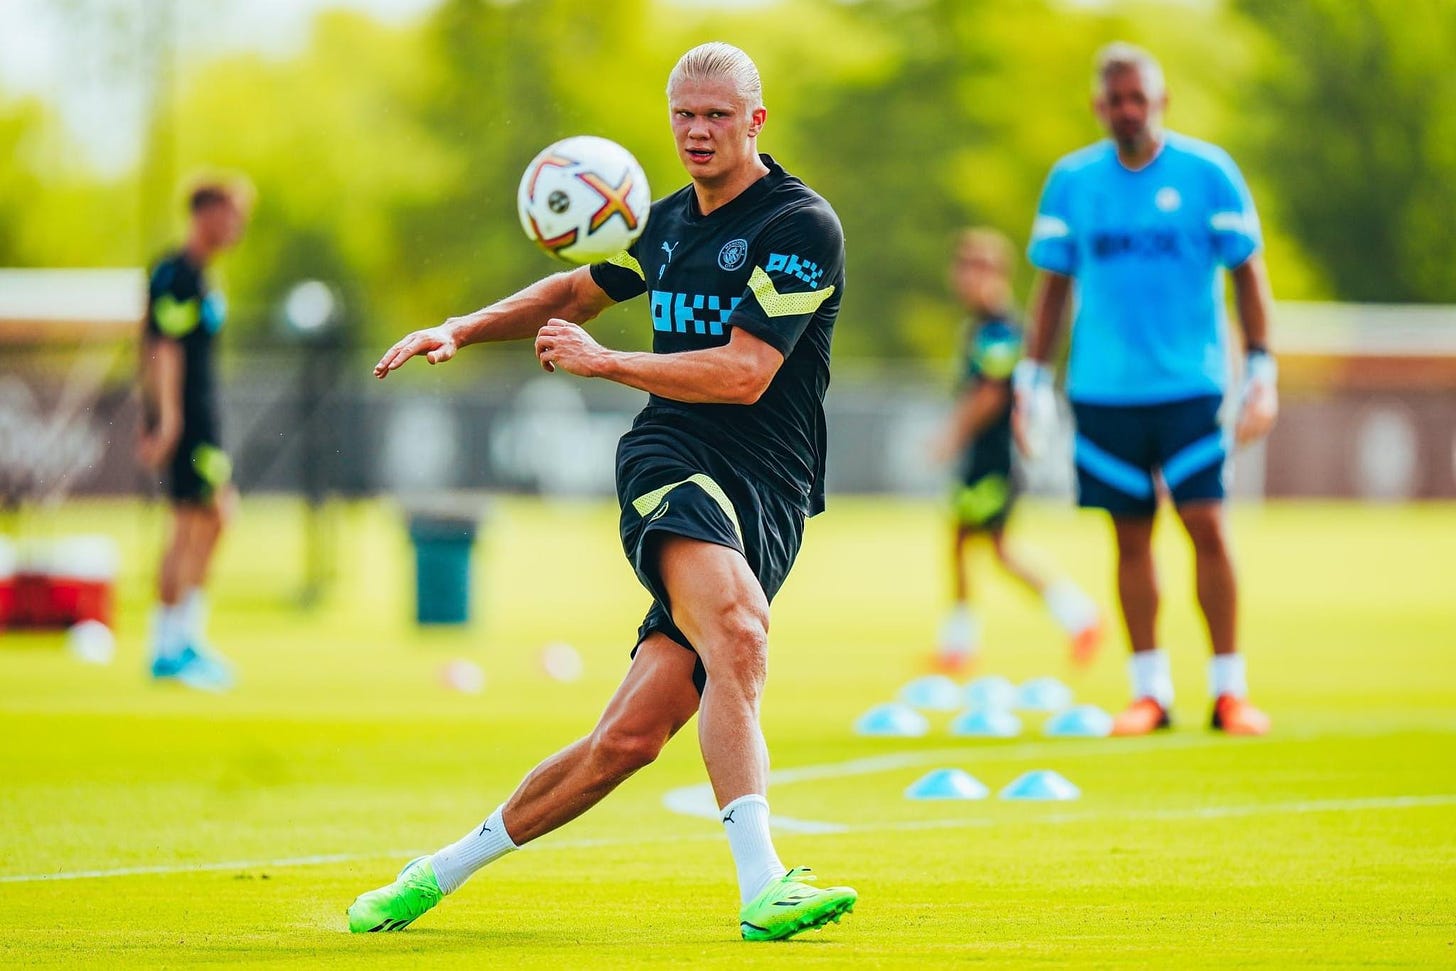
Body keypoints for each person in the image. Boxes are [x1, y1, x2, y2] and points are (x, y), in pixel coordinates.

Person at [348, 42, 856, 941]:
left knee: (626, 742)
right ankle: (763, 885)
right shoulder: (660, 226)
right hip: (671, 460)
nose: (697, 132)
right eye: (683, 116)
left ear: (755, 121)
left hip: (769, 493)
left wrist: (605, 361)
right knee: (738, 626)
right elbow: (578, 289)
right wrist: (461, 326)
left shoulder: (798, 226)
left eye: (717, 116)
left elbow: (746, 374)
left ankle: (434, 873)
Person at [1016, 43, 1278, 736]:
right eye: (1116, 100)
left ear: (1160, 100)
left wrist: (1262, 369)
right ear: (1099, 107)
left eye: (1140, 98)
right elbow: (1052, 287)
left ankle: (1229, 689)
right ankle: (1150, 691)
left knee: (1207, 526)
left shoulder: (1208, 174)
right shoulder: (1072, 182)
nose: (1129, 111)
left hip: (1191, 386)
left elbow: (1248, 274)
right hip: (1103, 391)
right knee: (1128, 538)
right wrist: (1032, 380)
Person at [932, 228, 1102, 672]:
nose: (964, 278)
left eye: (973, 268)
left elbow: (990, 393)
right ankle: (963, 642)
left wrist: (952, 435)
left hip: (996, 457)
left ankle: (1076, 616)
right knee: (972, 543)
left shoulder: (1001, 328)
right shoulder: (985, 324)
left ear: (994, 273)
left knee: (988, 546)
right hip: (988, 456)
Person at [137, 178, 251, 692]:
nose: (236, 226)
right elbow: (163, 348)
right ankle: (167, 648)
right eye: (230, 214)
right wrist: (167, 419)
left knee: (217, 516)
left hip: (202, 419)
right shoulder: (174, 274)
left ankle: (184, 639)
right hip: (185, 420)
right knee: (188, 524)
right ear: (204, 213)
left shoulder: (202, 277)